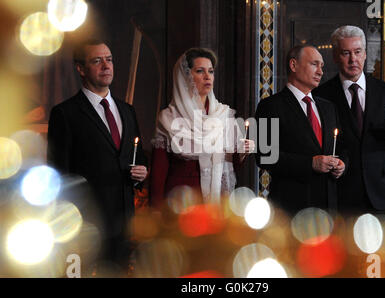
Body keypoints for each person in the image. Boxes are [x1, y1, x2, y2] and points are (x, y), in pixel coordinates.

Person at [47, 39, 148, 272]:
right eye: (97, 60)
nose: (106, 65)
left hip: (124, 227)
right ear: (80, 68)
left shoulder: (127, 111)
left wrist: (141, 172)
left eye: (109, 59)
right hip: (86, 226)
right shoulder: (65, 113)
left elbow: (138, 157)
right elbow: (59, 174)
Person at [313, 25, 385, 223]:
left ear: (365, 54)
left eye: (357, 52)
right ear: (335, 56)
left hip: (382, 196)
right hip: (341, 196)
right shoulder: (321, 95)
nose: (353, 59)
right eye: (346, 53)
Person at [150, 48, 254, 206]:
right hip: (180, 200)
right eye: (200, 71)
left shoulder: (223, 114)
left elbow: (231, 165)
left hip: (215, 200)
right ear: (186, 76)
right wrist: (156, 210)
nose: (207, 77)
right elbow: (159, 171)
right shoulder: (168, 117)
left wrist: (242, 152)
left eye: (211, 71)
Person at [255, 45, 346, 216]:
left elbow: (341, 147)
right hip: (291, 208)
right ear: (293, 65)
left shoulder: (328, 107)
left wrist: (342, 164)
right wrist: (310, 163)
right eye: (314, 64)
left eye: (322, 66)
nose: (320, 71)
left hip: (328, 208)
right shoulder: (270, 106)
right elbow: (264, 156)